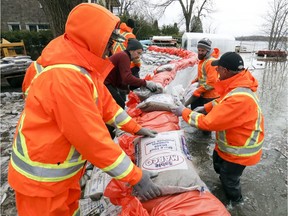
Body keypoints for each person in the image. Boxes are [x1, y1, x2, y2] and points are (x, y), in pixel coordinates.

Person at [8, 4, 162, 216]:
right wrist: (135, 177)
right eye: (109, 43)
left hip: (61, 174)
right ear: (94, 39)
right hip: (41, 183)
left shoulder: (82, 67)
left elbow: (107, 106)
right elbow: (91, 138)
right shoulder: (65, 77)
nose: (111, 49)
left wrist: (136, 128)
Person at [172, 52, 265, 205]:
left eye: (219, 69)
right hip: (230, 144)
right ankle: (225, 186)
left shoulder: (239, 98)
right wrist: (205, 107)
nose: (216, 71)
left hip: (240, 150)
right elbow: (223, 101)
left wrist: (184, 112)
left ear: (226, 71)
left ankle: (236, 203)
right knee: (218, 165)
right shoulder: (237, 85)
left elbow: (208, 123)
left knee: (230, 179)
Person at [105, 38, 158, 109]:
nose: (138, 56)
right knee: (119, 105)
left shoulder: (124, 56)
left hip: (107, 82)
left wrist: (129, 88)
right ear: (131, 50)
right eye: (138, 53)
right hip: (105, 82)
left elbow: (120, 77)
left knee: (119, 104)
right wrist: (145, 83)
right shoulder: (124, 56)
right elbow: (127, 77)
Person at [185, 38, 220, 109]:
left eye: (203, 51)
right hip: (203, 93)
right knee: (194, 110)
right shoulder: (204, 60)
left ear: (208, 51)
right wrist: (197, 80)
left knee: (202, 116)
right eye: (199, 50)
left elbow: (212, 82)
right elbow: (205, 74)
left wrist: (199, 90)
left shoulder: (210, 62)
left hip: (210, 96)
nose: (200, 52)